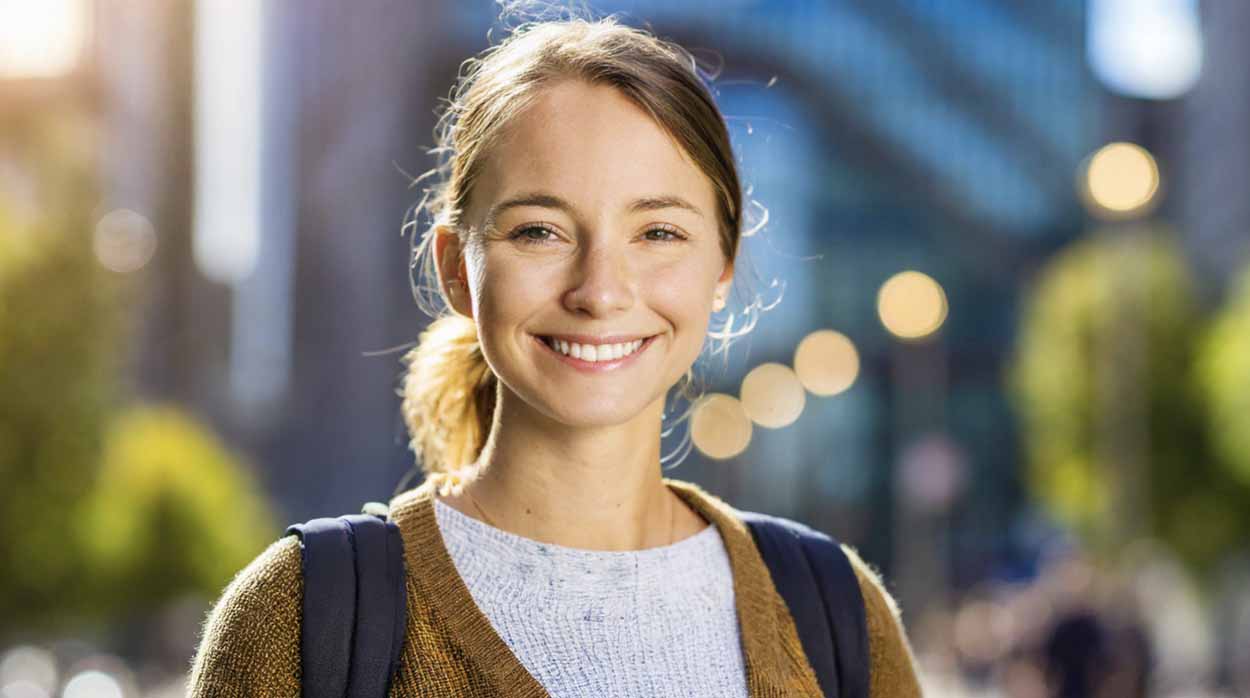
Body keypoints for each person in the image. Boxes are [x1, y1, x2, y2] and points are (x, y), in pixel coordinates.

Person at [188, 11, 923, 698]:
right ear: (455, 267)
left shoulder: (836, 616)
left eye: (658, 233)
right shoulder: (299, 618)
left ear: (723, 264)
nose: (600, 291)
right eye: (540, 231)